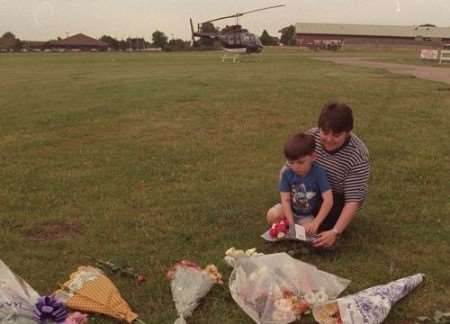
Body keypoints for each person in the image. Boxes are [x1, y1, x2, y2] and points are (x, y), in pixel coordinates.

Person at [301, 102, 370, 248]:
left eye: (337, 135)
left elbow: (353, 201)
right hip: (310, 188)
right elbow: (291, 165)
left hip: (337, 197)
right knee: (276, 215)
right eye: (325, 133)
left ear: (348, 132)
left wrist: (335, 231)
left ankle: (323, 225)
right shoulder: (311, 137)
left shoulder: (358, 155)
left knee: (320, 234)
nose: (329, 139)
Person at [266, 132, 333, 237]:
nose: (295, 167)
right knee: (272, 215)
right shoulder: (287, 173)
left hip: (306, 216)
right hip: (287, 210)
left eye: (300, 162)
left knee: (310, 232)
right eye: (291, 163)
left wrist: (315, 223)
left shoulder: (319, 173)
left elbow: (328, 200)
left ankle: (288, 229)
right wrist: (291, 221)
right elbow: (285, 200)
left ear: (312, 157)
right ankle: (285, 227)